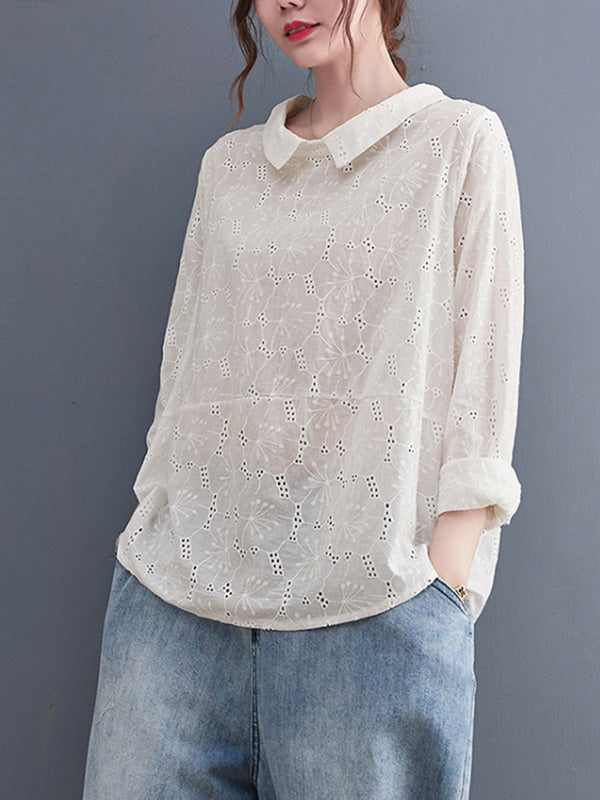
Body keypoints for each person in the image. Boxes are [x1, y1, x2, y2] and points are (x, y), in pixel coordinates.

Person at [82, 1, 525, 798]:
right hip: (175, 615)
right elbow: (185, 381)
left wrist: (442, 582)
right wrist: (156, 512)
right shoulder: (229, 169)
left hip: (373, 616)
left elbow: (483, 381)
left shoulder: (458, 141)